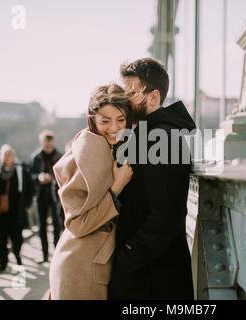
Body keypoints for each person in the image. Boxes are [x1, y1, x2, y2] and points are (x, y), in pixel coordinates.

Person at [108, 58, 196, 300]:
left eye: (131, 94)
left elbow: (166, 216)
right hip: (145, 275)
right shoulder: (145, 136)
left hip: (153, 281)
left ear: (154, 97)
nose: (124, 101)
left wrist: (127, 256)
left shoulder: (163, 139)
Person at [49, 83, 133, 300]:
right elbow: (78, 223)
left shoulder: (104, 145)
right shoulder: (91, 149)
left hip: (83, 263)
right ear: (92, 119)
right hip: (81, 268)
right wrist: (118, 186)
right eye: (105, 121)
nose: (114, 128)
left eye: (121, 120)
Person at [0, 144, 33, 274]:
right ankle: (2, 264)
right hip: (0, 213)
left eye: (9, 154)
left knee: (17, 239)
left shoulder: (21, 171)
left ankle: (17, 258)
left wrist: (27, 204)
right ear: (0, 156)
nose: (6, 156)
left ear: (13, 156)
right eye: (4, 154)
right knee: (1, 241)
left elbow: (31, 188)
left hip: (17, 212)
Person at [30, 130, 63, 263]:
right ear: (42, 143)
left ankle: (57, 254)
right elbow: (30, 176)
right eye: (46, 145)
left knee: (57, 225)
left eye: (50, 145)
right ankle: (44, 255)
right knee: (42, 226)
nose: (48, 147)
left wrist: (53, 178)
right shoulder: (36, 158)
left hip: (56, 197)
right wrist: (38, 178)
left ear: (53, 142)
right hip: (40, 195)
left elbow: (64, 175)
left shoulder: (60, 156)